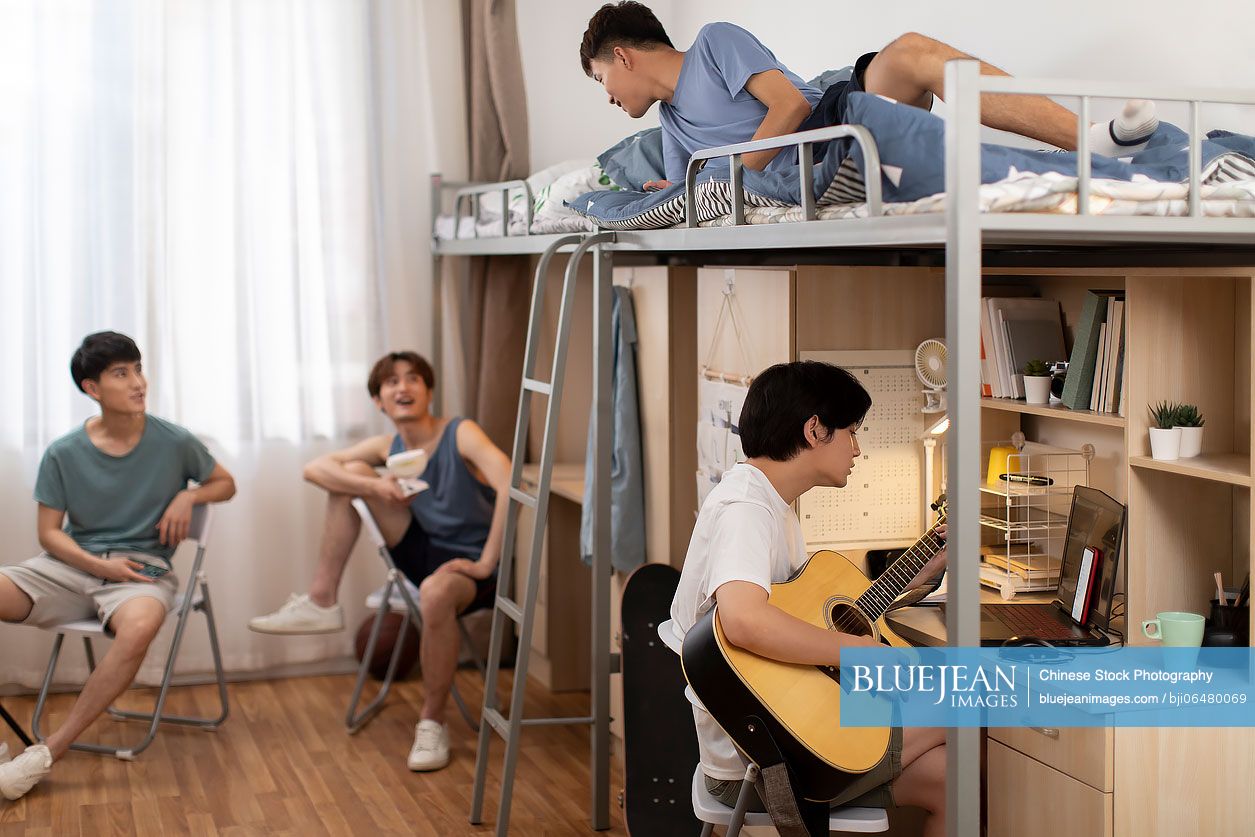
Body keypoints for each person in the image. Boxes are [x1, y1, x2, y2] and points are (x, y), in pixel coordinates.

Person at [669, 361, 949, 836]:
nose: (857, 449)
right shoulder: (746, 511)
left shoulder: (768, 503)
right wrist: (856, 651)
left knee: (957, 778)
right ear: (815, 429)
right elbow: (744, 621)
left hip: (781, 737)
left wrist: (930, 561)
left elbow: (808, 613)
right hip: (764, 764)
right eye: (852, 432)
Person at [0, 331, 236, 801]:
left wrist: (190, 492)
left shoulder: (173, 441)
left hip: (140, 571)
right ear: (92, 388)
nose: (138, 382)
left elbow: (225, 483)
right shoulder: (64, 452)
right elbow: (48, 533)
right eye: (122, 373)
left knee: (142, 623)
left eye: (139, 369)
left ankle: (44, 754)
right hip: (69, 565)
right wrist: (94, 565)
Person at [248, 350, 511, 772]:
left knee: (435, 589)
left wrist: (483, 564)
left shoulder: (460, 433)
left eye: (412, 379)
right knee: (349, 472)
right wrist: (377, 488)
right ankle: (322, 600)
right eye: (391, 382)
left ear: (428, 390)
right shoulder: (387, 446)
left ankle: (431, 721)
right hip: (422, 549)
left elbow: (509, 481)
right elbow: (314, 468)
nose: (402, 388)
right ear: (379, 401)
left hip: (470, 566)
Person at [580, 2, 1159, 189]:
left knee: (909, 53)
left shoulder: (714, 44)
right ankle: (1064, 157)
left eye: (601, 79)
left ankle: (1083, 142)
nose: (607, 97)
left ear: (624, 57)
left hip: (828, 120)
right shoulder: (671, 125)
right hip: (822, 162)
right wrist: (678, 187)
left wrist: (725, 170)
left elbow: (791, 107)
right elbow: (693, 193)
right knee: (905, 61)